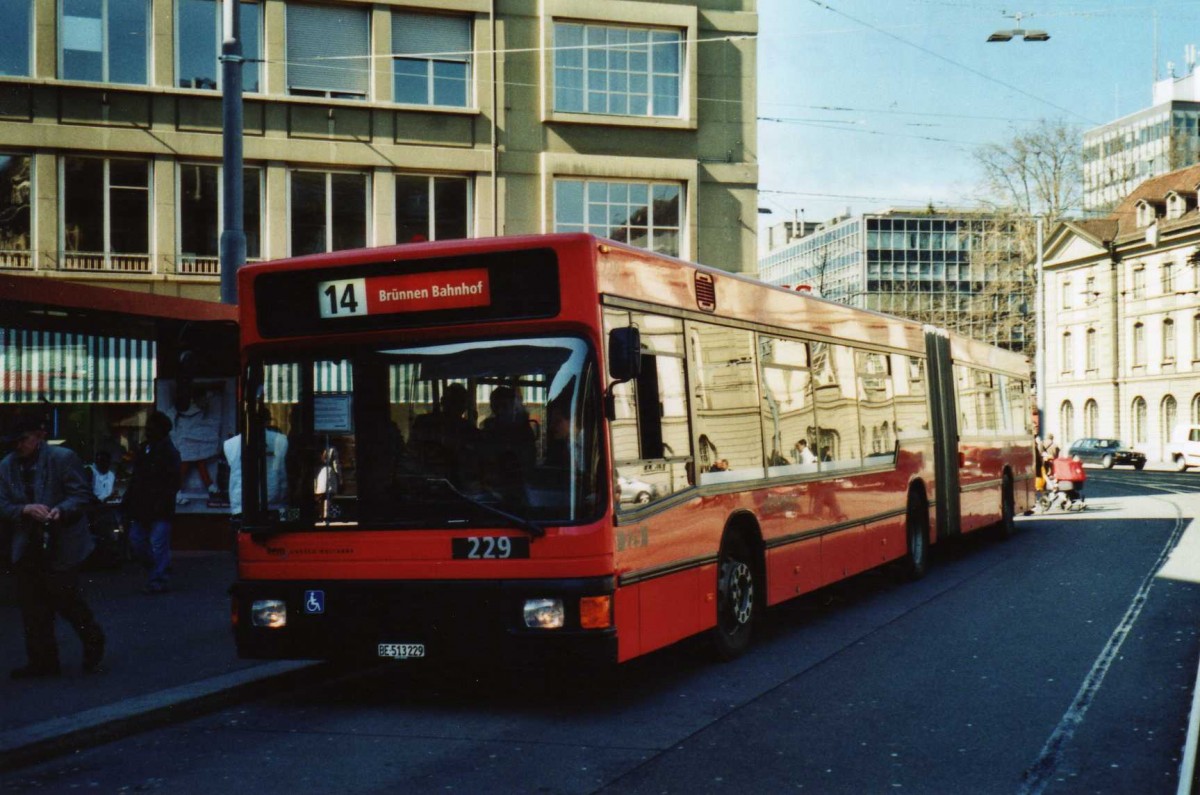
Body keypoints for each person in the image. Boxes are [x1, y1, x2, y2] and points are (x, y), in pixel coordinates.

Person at [0, 413, 105, 677]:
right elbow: (2, 503)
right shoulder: (6, 465)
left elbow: (81, 495)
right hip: (28, 544)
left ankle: (93, 640)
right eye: (14, 441)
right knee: (32, 606)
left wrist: (62, 510)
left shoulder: (63, 458)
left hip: (61, 540)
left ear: (39, 436)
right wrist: (24, 509)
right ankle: (43, 662)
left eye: (23, 440)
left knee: (66, 599)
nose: (18, 446)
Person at [121, 411, 182, 594]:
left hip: (160, 507)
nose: (147, 431)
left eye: (151, 428)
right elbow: (136, 478)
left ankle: (158, 579)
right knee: (137, 541)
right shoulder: (143, 449)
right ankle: (157, 570)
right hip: (141, 506)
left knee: (157, 544)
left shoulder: (170, 453)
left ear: (161, 430)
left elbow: (174, 482)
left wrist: (163, 501)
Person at [224, 411, 289, 517]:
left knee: (296, 516)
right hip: (275, 507)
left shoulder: (230, 444)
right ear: (268, 421)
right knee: (298, 517)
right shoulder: (282, 440)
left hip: (241, 508)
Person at [411, 383, 477, 484]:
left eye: (461, 402)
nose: (457, 406)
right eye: (454, 401)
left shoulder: (468, 429)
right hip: (425, 480)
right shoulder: (425, 423)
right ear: (443, 401)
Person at [479, 386, 535, 502]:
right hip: (491, 487)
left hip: (517, 487)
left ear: (513, 406)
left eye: (504, 406)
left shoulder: (522, 430)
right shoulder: (489, 428)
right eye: (495, 407)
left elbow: (527, 463)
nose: (499, 411)